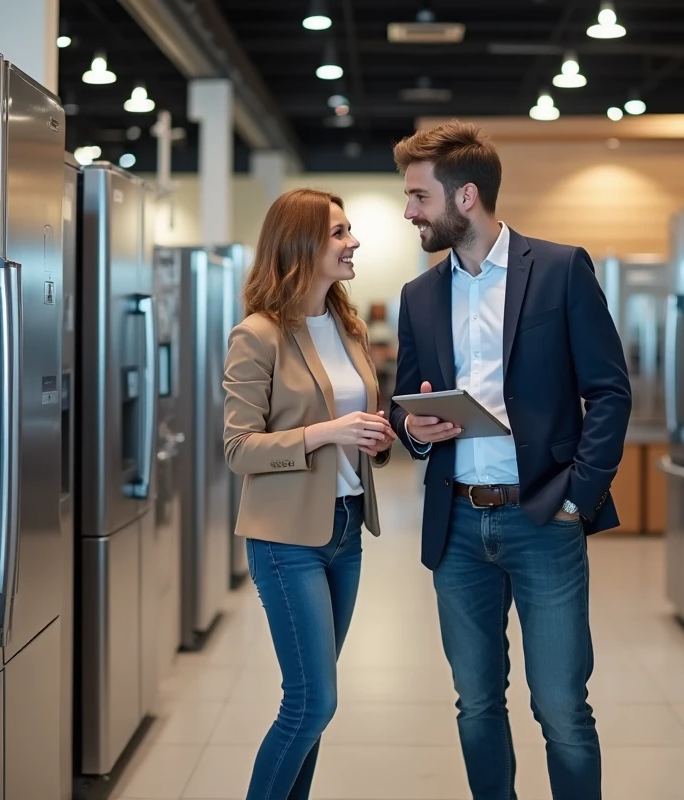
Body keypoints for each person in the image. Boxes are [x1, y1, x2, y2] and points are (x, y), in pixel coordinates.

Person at [388, 121, 632, 800]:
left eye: (417, 196)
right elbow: (406, 405)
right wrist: (416, 428)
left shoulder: (558, 269)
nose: (408, 211)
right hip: (457, 526)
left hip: (543, 518)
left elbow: (609, 390)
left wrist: (580, 495)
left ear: (465, 196)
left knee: (560, 708)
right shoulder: (419, 295)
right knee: (476, 703)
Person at [223, 188, 397, 800]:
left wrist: (375, 440)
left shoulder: (348, 326)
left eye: (350, 231)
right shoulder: (259, 334)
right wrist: (329, 433)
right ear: (301, 244)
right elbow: (239, 448)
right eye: (340, 233)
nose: (354, 243)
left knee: (312, 708)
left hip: (345, 528)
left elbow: (358, 423)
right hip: (285, 540)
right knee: (311, 701)